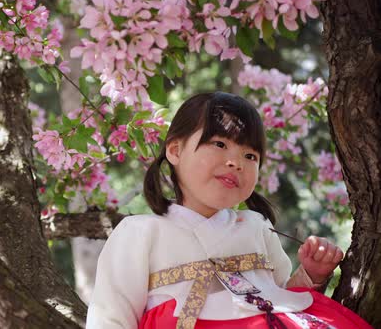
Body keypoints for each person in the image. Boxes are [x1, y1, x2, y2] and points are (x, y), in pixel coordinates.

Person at [85, 92, 372, 329]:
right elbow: (111, 317)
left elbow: (283, 297)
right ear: (175, 150)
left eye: (250, 155)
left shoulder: (256, 226)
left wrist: (312, 274)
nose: (236, 162)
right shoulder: (141, 232)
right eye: (219, 144)